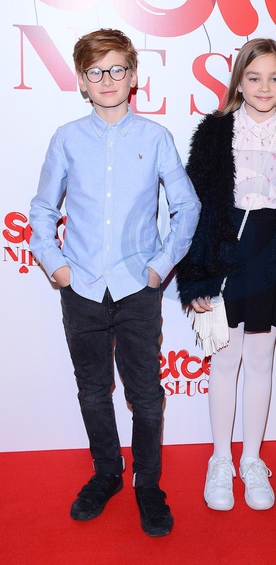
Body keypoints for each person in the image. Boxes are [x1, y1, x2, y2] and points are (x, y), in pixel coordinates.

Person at [29, 28, 201, 537]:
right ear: (82, 81)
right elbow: (42, 210)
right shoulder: (66, 138)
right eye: (95, 71)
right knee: (92, 390)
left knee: (145, 395)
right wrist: (56, 265)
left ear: (133, 76)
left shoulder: (155, 137)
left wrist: (160, 266)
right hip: (80, 288)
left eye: (117, 69)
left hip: (137, 289)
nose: (107, 79)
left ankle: (148, 484)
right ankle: (107, 473)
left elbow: (187, 205)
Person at [176, 38, 276, 511]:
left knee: (261, 359)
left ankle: (252, 460)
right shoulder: (215, 131)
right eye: (254, 77)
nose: (264, 87)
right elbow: (195, 207)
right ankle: (220, 460)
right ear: (238, 81)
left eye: (275, 78)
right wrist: (196, 275)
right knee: (225, 361)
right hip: (225, 253)